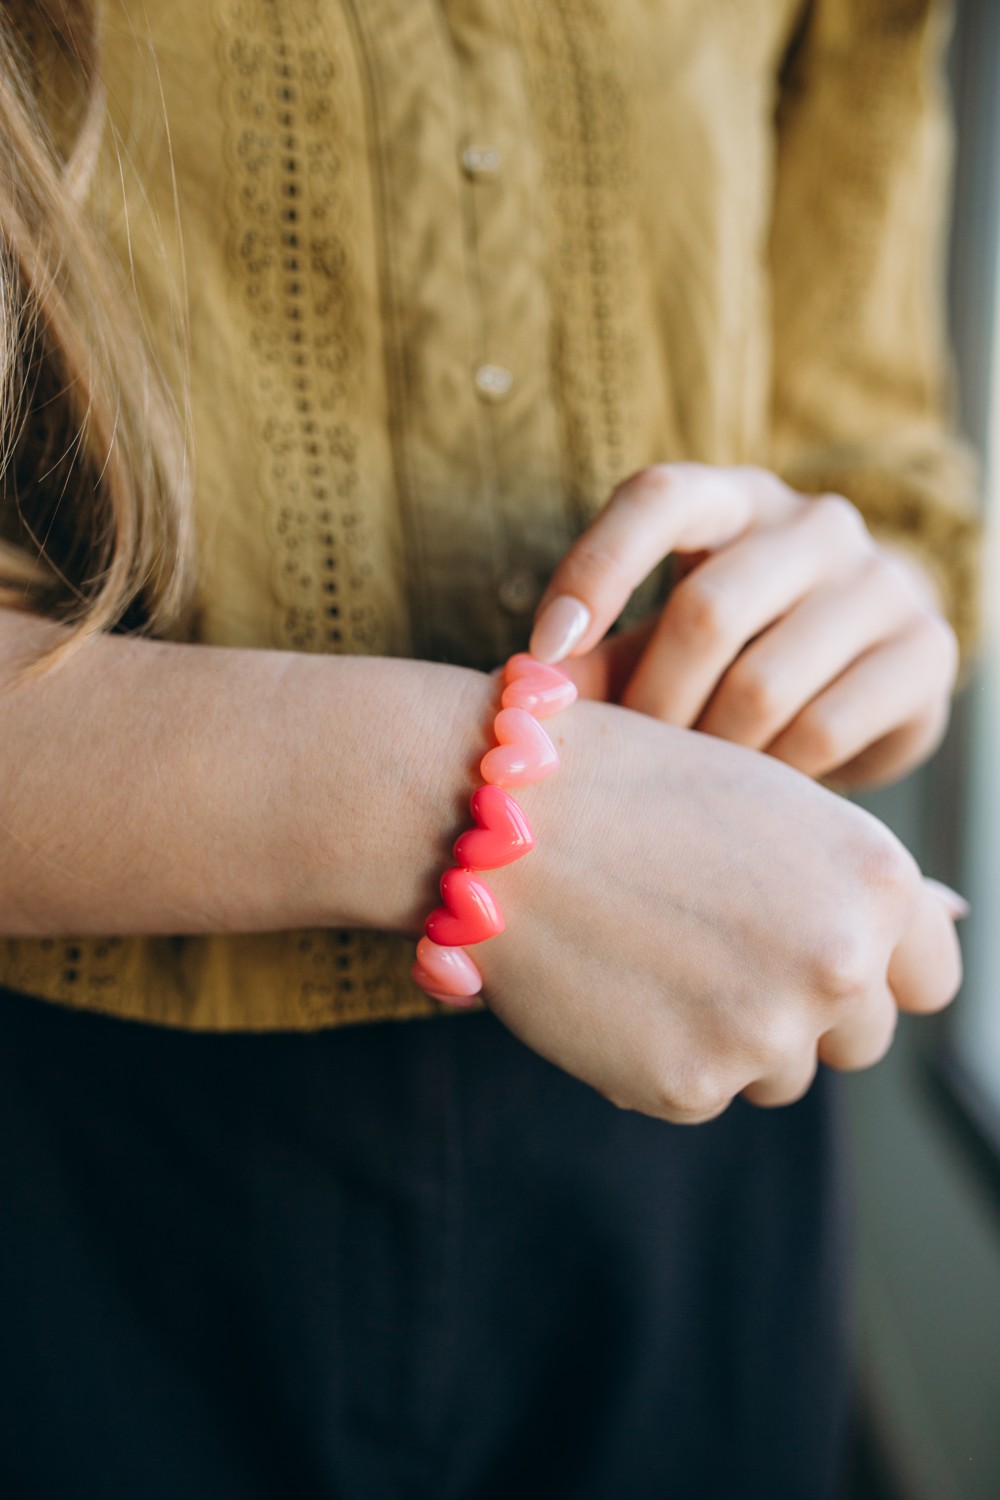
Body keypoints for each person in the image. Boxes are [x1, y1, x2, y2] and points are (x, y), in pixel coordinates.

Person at [0, 2, 981, 1497]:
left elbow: (876, 465)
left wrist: (862, 625)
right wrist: (485, 802)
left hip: (705, 1105)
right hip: (74, 1161)